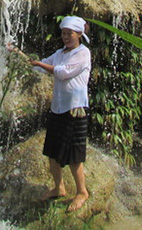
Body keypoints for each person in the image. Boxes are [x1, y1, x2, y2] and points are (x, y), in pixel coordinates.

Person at [7, 16, 91, 212]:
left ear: (79, 34)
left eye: (69, 34)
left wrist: (41, 64)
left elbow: (62, 72)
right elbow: (39, 66)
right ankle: (59, 187)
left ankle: (82, 192)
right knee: (51, 152)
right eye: (63, 33)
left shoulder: (83, 53)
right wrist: (18, 54)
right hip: (58, 108)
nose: (66, 37)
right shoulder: (60, 53)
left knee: (74, 155)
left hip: (75, 109)